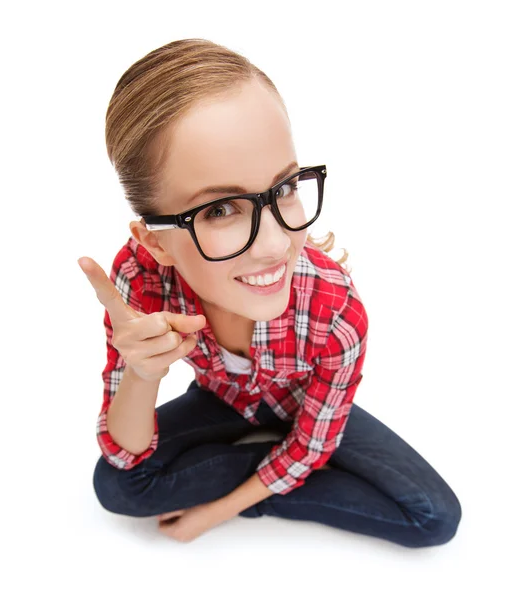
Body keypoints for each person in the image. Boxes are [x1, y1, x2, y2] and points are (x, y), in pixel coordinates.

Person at [78, 38, 462, 546]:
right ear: (155, 241)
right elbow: (123, 454)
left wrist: (219, 510)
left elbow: (312, 441)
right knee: (117, 487)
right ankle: (267, 470)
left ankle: (264, 486)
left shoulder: (335, 309)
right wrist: (143, 373)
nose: (277, 243)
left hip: (304, 410)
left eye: (283, 189)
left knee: (432, 517)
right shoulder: (139, 280)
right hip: (221, 402)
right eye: (220, 210)